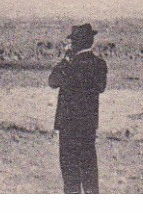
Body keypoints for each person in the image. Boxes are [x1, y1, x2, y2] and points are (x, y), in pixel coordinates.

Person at [47, 23, 107, 193]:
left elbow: (52, 82)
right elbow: (100, 87)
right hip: (88, 125)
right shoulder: (99, 64)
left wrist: (66, 60)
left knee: (70, 175)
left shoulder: (70, 65)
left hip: (68, 126)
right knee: (89, 171)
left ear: (75, 44)